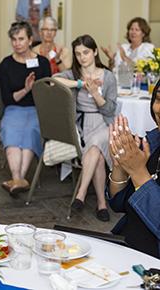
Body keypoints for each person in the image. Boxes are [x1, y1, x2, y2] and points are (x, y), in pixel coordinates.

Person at [54, 34, 117, 222]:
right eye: (78, 53)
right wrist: (81, 83)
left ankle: (80, 194)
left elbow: (110, 109)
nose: (82, 57)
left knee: (97, 142)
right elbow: (54, 79)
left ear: (95, 52)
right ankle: (101, 203)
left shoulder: (108, 76)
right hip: (83, 127)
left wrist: (95, 93)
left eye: (86, 52)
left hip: (104, 124)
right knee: (96, 154)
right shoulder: (73, 74)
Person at [108, 80, 160, 258]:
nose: (159, 109)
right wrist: (120, 166)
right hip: (125, 245)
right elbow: (119, 204)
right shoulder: (153, 143)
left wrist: (139, 173)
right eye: (159, 99)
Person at [0, 21, 51, 195]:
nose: (17, 43)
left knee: (30, 130)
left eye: (21, 39)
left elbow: (47, 93)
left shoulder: (42, 63)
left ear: (30, 40)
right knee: (10, 129)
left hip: (37, 109)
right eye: (13, 39)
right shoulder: (6, 64)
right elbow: (8, 99)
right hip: (14, 108)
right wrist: (26, 89)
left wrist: (35, 88)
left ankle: (17, 179)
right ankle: (18, 178)